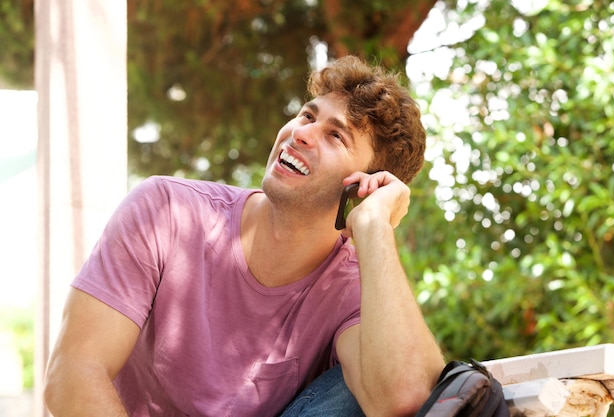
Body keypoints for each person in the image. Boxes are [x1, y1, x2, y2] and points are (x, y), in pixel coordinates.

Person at [43, 55, 445, 417]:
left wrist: (374, 226)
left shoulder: (350, 289)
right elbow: (72, 373)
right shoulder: (166, 209)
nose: (301, 134)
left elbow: (405, 398)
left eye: (335, 135)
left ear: (364, 184)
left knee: (366, 378)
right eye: (307, 116)